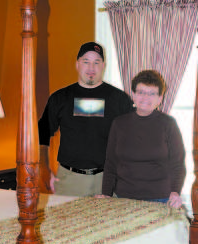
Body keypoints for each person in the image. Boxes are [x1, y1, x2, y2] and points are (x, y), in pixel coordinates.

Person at [38, 41, 133, 196]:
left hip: (108, 180)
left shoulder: (120, 99)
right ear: (77, 64)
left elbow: (132, 139)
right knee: (68, 220)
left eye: (96, 62)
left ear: (103, 65)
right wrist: (44, 169)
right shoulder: (60, 98)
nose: (91, 68)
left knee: (109, 221)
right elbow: (42, 133)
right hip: (69, 180)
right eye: (86, 62)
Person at [101, 70, 186, 209]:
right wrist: (106, 194)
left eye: (152, 93)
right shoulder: (119, 123)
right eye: (141, 92)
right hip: (123, 199)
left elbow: (177, 164)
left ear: (160, 98)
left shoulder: (168, 124)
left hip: (161, 200)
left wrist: (175, 192)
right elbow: (110, 163)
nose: (145, 97)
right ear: (133, 95)